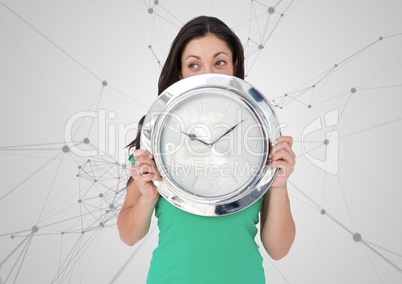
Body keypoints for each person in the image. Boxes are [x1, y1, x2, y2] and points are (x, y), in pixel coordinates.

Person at [117, 16, 296, 283]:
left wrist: (279, 185)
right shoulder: (155, 139)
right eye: (194, 65)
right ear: (180, 73)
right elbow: (128, 236)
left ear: (235, 67)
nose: (208, 73)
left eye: (219, 62)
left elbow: (279, 250)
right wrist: (146, 197)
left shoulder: (261, 140)